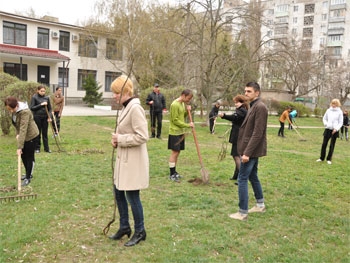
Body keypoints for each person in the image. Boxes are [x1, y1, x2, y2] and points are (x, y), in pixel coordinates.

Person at [108, 75, 149, 247]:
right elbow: (124, 131)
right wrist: (116, 140)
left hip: (133, 162)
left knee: (132, 196)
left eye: (116, 92)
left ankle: (140, 231)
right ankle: (125, 226)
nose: (114, 96)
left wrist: (121, 139)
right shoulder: (125, 107)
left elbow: (143, 136)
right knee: (118, 192)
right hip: (123, 160)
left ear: (126, 91)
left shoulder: (135, 108)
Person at [229, 82, 268, 221]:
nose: (246, 93)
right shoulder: (253, 105)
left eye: (249, 91)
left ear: (257, 93)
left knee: (242, 178)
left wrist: (247, 153)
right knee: (253, 176)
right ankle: (260, 204)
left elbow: (258, 133)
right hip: (249, 148)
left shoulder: (260, 107)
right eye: (245, 91)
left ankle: (242, 212)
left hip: (250, 150)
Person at [4, 96, 39, 187]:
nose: (11, 111)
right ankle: (27, 173)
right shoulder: (15, 111)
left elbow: (23, 128)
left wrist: (19, 146)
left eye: (11, 109)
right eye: (9, 109)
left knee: (29, 156)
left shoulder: (25, 112)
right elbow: (17, 125)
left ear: (16, 105)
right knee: (23, 156)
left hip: (31, 135)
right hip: (23, 135)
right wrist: (17, 134)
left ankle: (28, 177)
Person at [219, 95, 249, 183]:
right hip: (239, 136)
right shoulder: (242, 110)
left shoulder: (242, 111)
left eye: (237, 102)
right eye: (235, 102)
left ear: (242, 102)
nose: (235, 104)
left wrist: (224, 115)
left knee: (236, 156)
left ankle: (241, 177)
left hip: (239, 136)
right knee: (237, 155)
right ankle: (236, 175)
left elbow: (234, 117)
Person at [168, 89, 194, 182]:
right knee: (174, 152)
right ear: (183, 95)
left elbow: (182, 116)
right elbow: (175, 120)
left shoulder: (183, 104)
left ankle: (174, 172)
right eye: (188, 98)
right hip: (174, 132)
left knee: (178, 152)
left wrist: (187, 111)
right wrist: (188, 125)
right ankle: (171, 174)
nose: (189, 100)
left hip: (180, 132)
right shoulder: (174, 104)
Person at [316, 99, 343, 165]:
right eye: (333, 103)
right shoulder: (328, 110)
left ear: (338, 104)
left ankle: (329, 159)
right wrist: (326, 124)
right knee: (324, 144)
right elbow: (324, 118)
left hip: (334, 130)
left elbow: (340, 122)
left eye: (335, 104)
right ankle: (321, 158)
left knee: (332, 145)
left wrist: (336, 129)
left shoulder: (340, 112)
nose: (334, 105)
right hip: (328, 129)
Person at [30, 85, 52, 153]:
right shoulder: (34, 97)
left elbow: (50, 109)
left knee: (45, 133)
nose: (43, 92)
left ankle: (46, 148)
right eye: (41, 91)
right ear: (38, 90)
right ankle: (37, 148)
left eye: (44, 91)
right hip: (37, 117)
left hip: (45, 117)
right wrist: (41, 104)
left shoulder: (47, 98)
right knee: (38, 133)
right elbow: (32, 107)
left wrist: (49, 117)